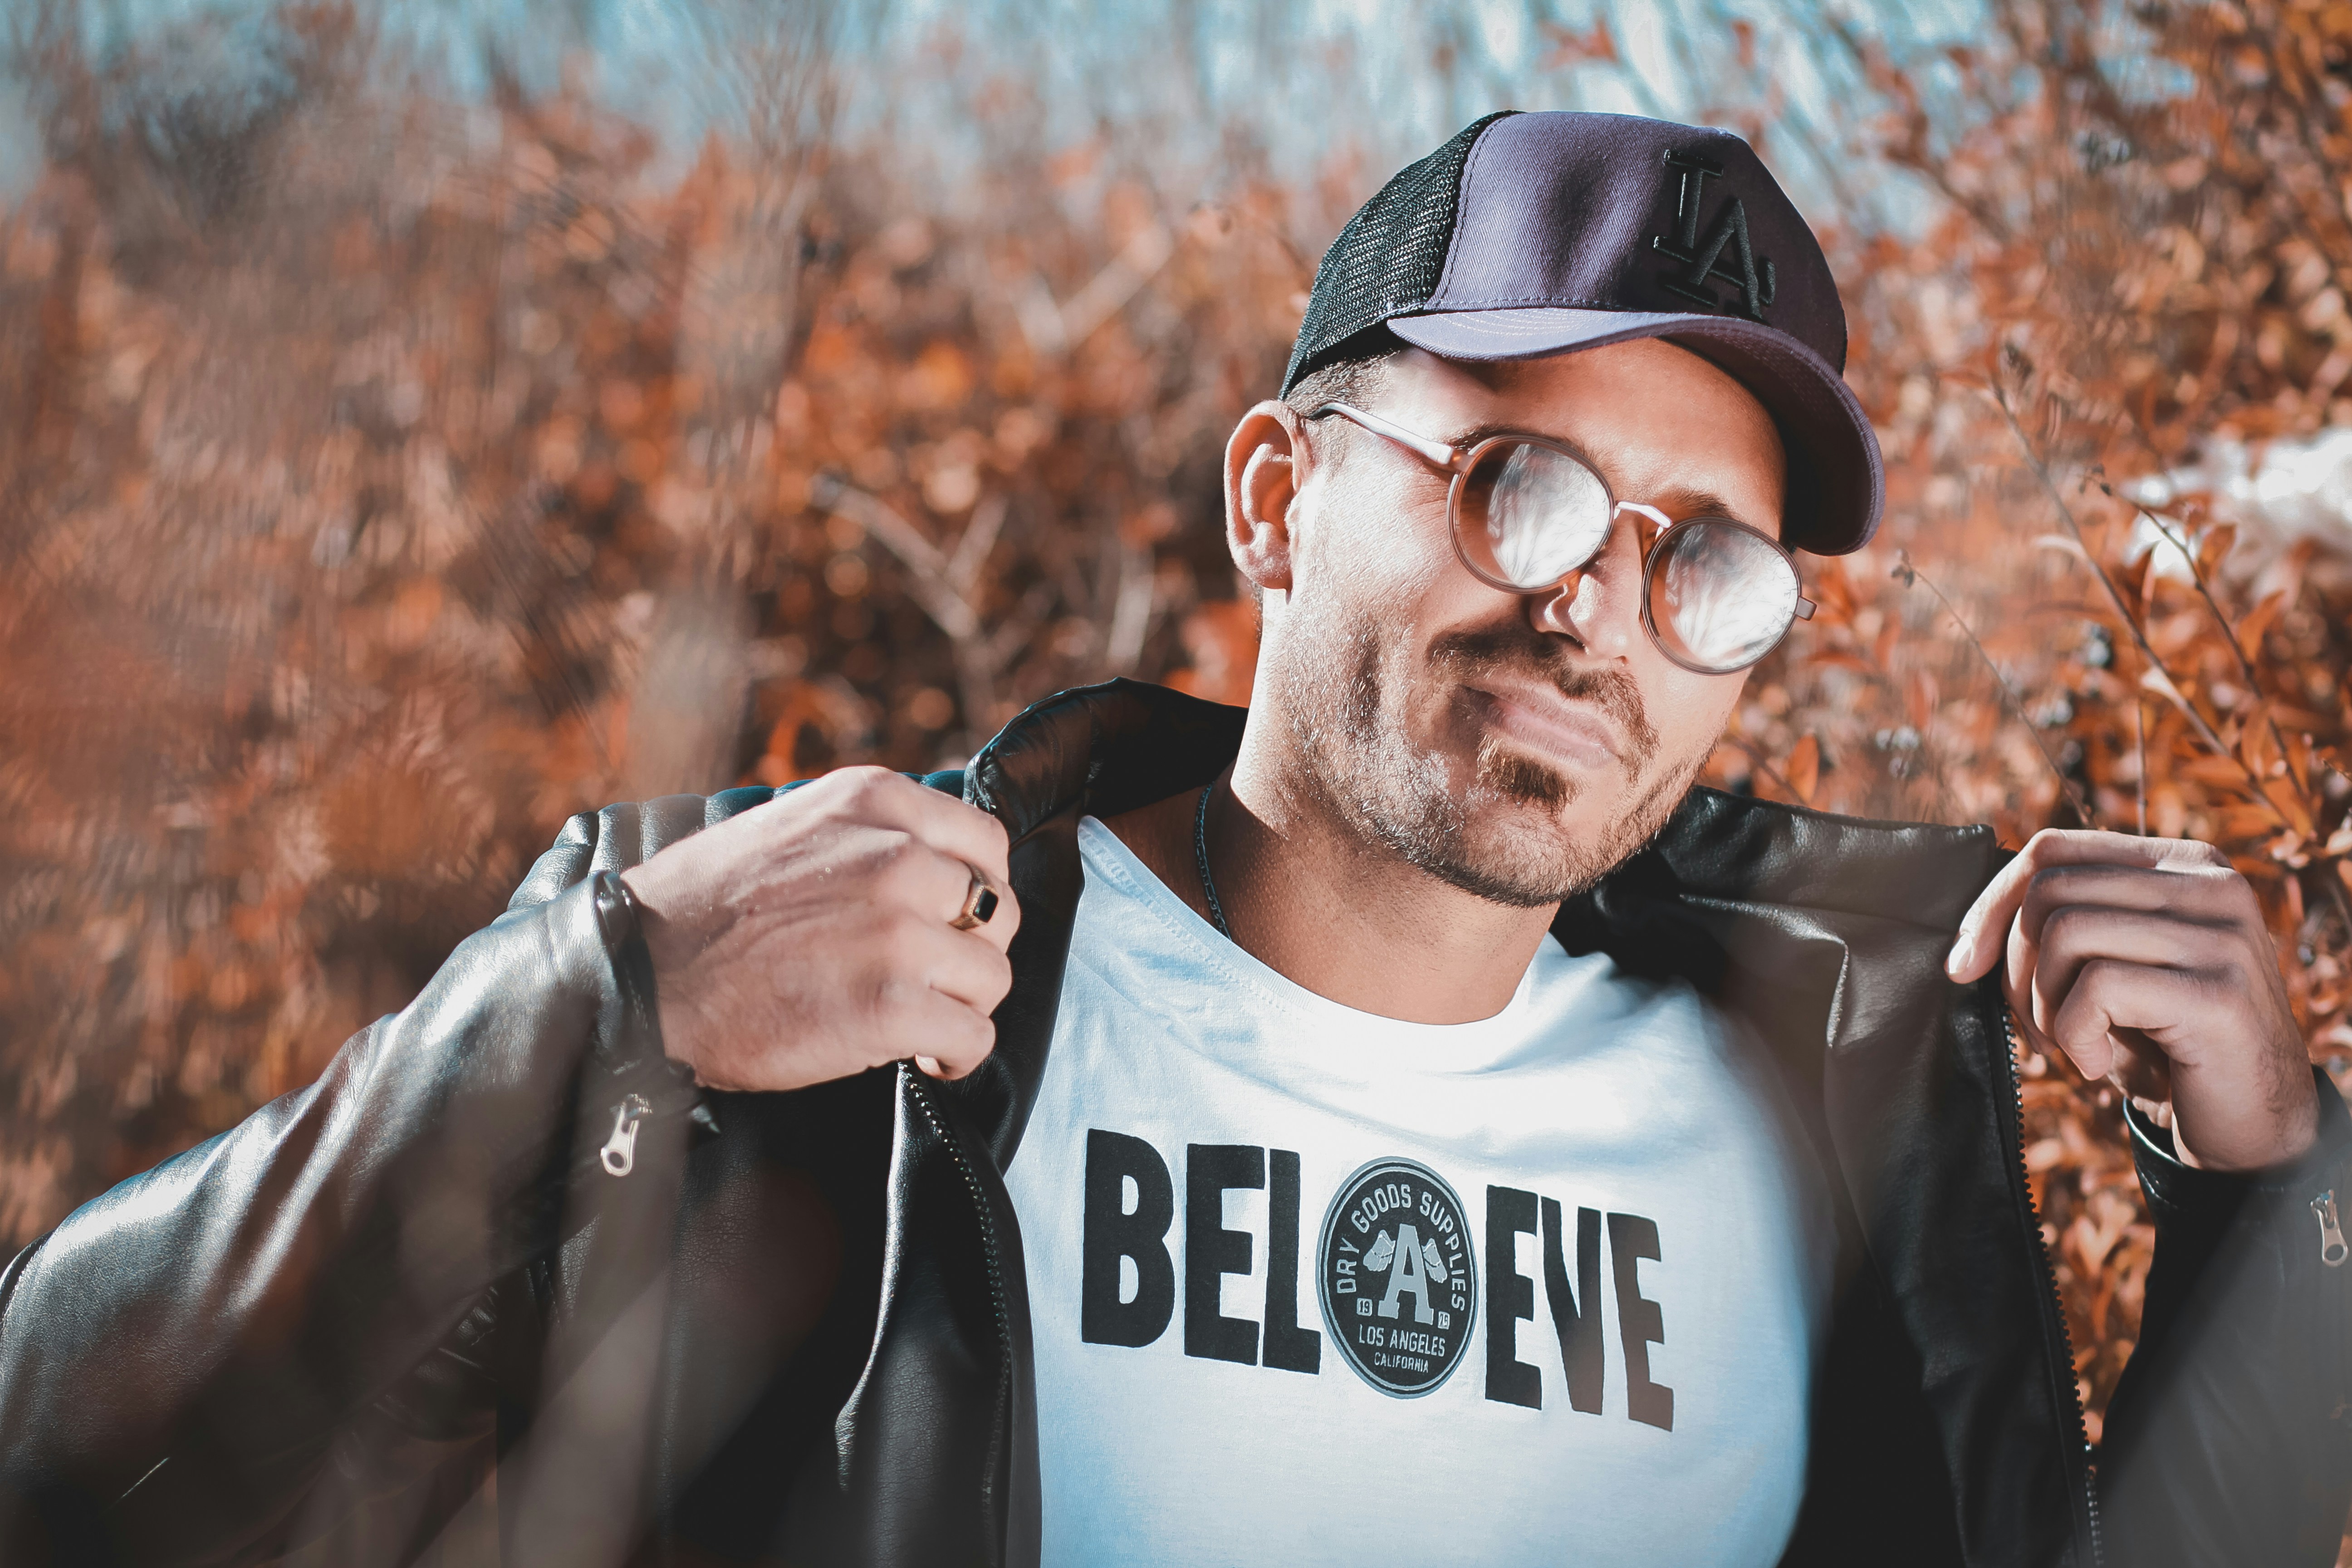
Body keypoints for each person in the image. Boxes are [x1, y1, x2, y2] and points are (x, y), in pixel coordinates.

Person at [0, 110, 2343, 1568]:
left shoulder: (1837, 1081)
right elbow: (71, 1449)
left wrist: (2282, 1213)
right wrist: (588, 1003)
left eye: (1701, 561)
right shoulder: (807, 982)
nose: (1588, 603)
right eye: (1517, 478)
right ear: (1274, 498)